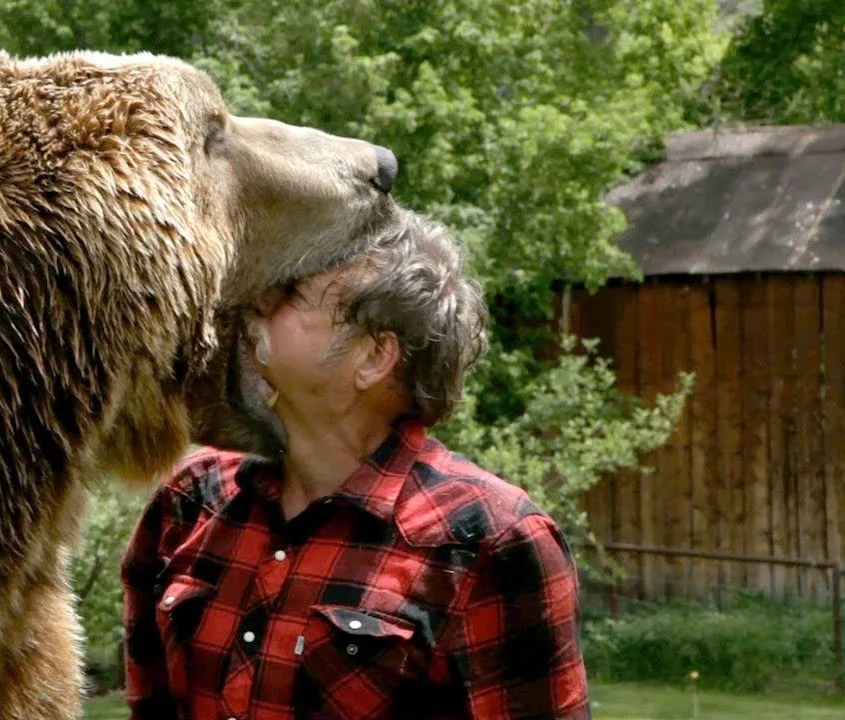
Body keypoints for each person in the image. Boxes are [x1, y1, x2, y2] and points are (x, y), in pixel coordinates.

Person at [121, 210, 590, 720]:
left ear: (373, 358)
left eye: (292, 293)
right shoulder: (190, 498)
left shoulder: (491, 540)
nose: (260, 300)